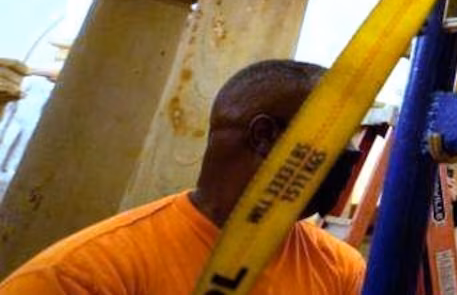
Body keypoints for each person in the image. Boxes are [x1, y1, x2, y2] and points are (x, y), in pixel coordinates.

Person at [0, 59, 366, 294]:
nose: (352, 154)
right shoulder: (82, 276)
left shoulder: (339, 267)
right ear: (264, 137)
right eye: (335, 135)